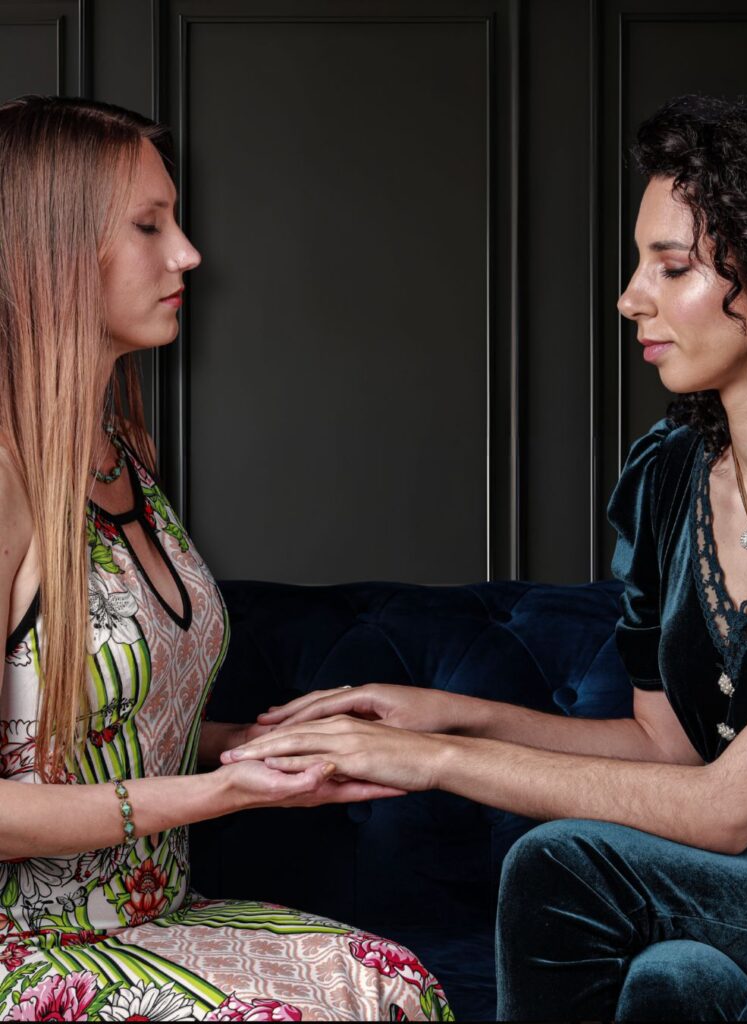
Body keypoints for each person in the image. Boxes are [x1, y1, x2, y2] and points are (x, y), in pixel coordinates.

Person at [228, 93, 747, 1021]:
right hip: (735, 890)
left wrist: (428, 759)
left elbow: (720, 807)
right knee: (677, 985)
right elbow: (666, 749)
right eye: (639, 263)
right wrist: (452, 714)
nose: (630, 296)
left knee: (564, 864)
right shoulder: (667, 476)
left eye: (670, 266)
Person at [0, 94, 452, 1023]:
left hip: (148, 918)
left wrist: (279, 750)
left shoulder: (121, 451)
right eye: (149, 224)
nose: (188, 254)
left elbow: (97, 736)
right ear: (49, 248)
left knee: (390, 983)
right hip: (27, 951)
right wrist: (217, 794)